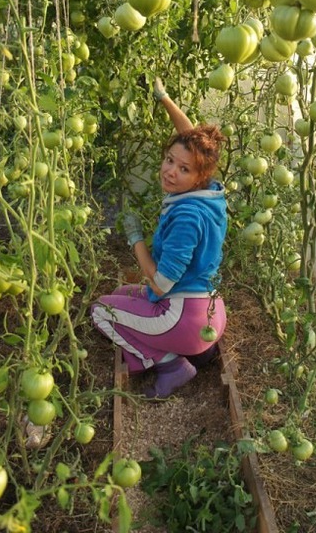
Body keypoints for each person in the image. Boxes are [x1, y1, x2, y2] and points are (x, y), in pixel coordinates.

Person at [91, 78, 228, 398]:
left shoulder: (187, 218)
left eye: (183, 169)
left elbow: (161, 284)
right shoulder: (207, 194)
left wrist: (135, 238)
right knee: (121, 292)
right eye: (169, 160)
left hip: (181, 317)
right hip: (207, 312)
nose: (170, 171)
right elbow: (187, 136)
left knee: (101, 310)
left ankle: (170, 365)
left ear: (198, 175)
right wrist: (164, 98)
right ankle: (197, 352)